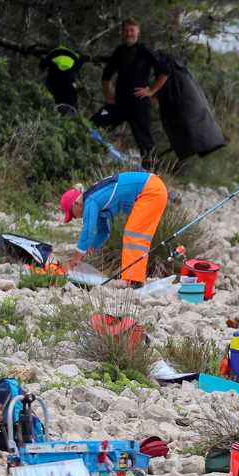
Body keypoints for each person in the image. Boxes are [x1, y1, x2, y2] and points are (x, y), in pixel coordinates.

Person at [59, 171, 169, 287]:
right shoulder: (96, 203)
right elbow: (104, 232)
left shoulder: (91, 201)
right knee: (137, 235)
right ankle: (136, 279)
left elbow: (88, 231)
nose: (74, 217)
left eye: (72, 214)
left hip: (151, 190)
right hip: (154, 189)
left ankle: (132, 280)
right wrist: (92, 246)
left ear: (76, 204)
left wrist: (74, 261)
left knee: (133, 234)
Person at [100, 18, 170, 168]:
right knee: (96, 125)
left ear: (138, 32)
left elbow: (164, 72)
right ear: (122, 32)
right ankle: (92, 159)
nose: (128, 33)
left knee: (144, 141)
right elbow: (106, 75)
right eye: (126, 30)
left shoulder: (145, 50)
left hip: (139, 103)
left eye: (132, 30)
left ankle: (151, 175)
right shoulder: (119, 51)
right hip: (119, 103)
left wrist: (151, 91)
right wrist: (108, 95)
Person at [39, 46, 85, 113]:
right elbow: (78, 66)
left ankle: (53, 110)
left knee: (54, 93)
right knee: (70, 93)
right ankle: (69, 111)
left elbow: (42, 65)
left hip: (54, 77)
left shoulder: (53, 52)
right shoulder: (76, 57)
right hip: (68, 80)